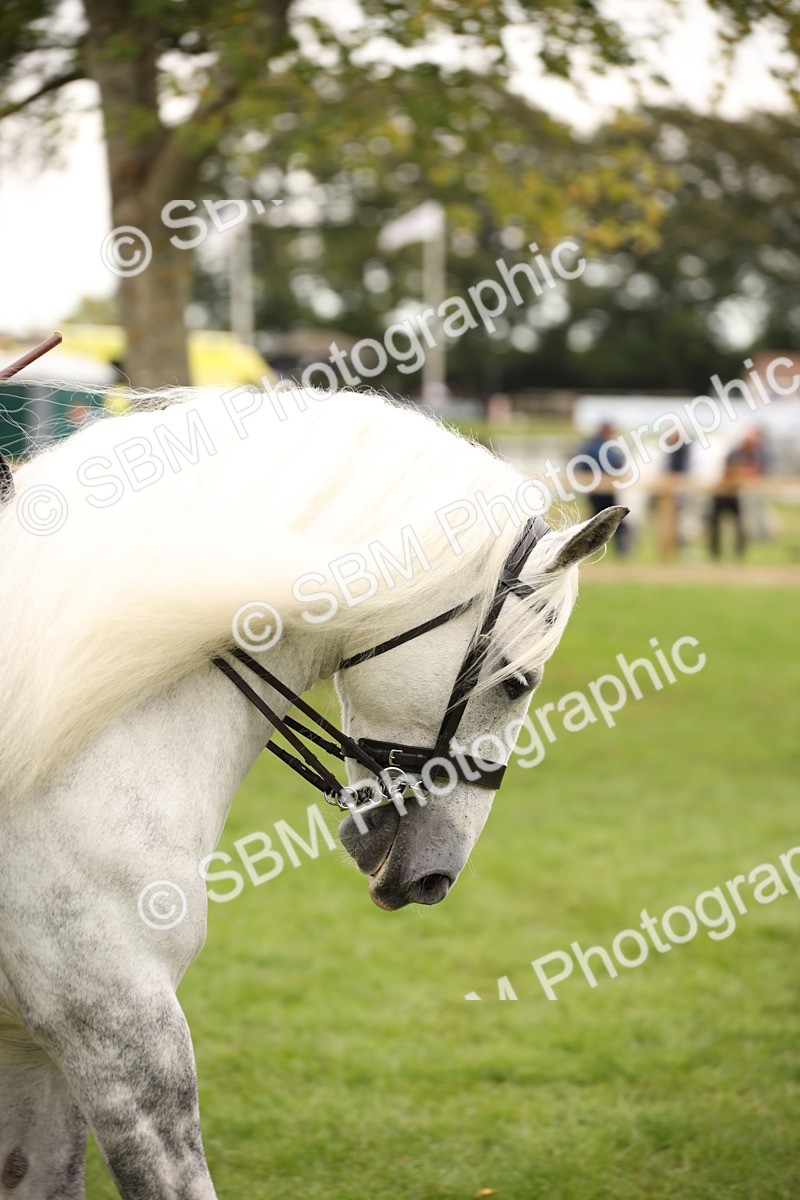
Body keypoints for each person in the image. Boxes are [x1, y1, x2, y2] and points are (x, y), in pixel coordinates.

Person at [708, 428, 766, 559]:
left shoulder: (754, 454)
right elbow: (730, 472)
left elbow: (756, 472)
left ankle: (738, 553)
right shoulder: (735, 453)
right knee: (716, 525)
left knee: (740, 525)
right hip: (722, 493)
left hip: (736, 495)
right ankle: (715, 552)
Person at [578, 420, 630, 555]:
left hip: (595, 488)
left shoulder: (591, 445)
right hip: (604, 489)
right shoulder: (603, 447)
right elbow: (614, 462)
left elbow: (582, 465)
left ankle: (590, 549)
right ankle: (621, 549)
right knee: (611, 519)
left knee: (597, 520)